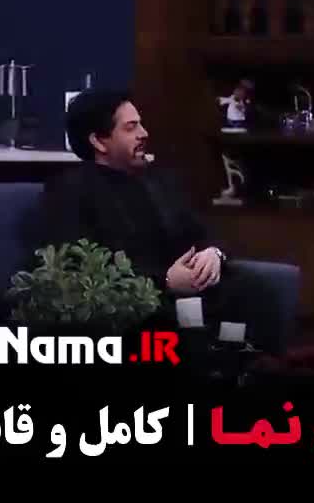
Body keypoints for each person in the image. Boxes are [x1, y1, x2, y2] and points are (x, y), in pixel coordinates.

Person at [34, 89, 294, 352]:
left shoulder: (158, 180)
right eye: (131, 128)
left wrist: (213, 253)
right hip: (136, 307)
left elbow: (201, 232)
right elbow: (77, 272)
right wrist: (166, 282)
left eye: (141, 124)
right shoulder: (69, 190)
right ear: (99, 141)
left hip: (193, 295)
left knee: (256, 292)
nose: (144, 133)